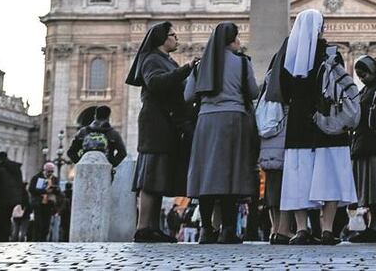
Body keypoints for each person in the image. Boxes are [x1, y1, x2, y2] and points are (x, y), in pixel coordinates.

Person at [277, 10, 358, 245]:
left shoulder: (288, 59)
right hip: (328, 124)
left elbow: (283, 93)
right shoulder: (331, 55)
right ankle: (327, 230)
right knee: (330, 177)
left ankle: (302, 229)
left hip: (298, 125)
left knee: (298, 178)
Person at [185, 21, 260, 244]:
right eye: (237, 38)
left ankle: (207, 229)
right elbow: (253, 92)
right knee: (231, 175)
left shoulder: (200, 66)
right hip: (234, 120)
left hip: (206, 121)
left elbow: (188, 96)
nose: (239, 42)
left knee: (207, 175)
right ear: (230, 41)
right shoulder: (243, 64)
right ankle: (228, 230)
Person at [125, 21, 197, 243]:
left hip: (167, 122)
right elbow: (155, 83)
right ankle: (143, 227)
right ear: (162, 39)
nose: (177, 39)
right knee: (150, 176)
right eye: (173, 35)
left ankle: (153, 227)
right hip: (155, 123)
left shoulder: (165, 60)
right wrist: (185, 69)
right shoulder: (151, 60)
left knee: (157, 176)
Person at [258, 51, 293, 245]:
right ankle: (283, 228)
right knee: (285, 183)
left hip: (268, 140)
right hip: (284, 136)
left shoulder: (269, 79)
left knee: (272, 184)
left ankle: (274, 227)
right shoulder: (286, 77)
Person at [348, 55, 376, 243]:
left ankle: (375, 225)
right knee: (366, 188)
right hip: (362, 144)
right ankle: (370, 225)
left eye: (364, 74)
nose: (362, 78)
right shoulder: (366, 90)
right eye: (359, 75)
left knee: (374, 188)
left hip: (373, 145)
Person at [0, 151, 26, 242]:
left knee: (2, 221)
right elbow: (20, 185)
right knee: (7, 219)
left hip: (0, 200)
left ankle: (3, 239)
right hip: (13, 201)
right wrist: (19, 200)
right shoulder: (16, 168)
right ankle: (6, 238)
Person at [27, 163, 61, 241]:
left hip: (49, 203)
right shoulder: (37, 177)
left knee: (46, 223)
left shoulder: (54, 179)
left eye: (52, 171)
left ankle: (43, 239)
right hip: (38, 203)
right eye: (49, 171)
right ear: (44, 170)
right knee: (38, 223)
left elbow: (58, 192)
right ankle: (36, 239)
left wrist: (55, 189)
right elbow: (31, 189)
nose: (50, 173)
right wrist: (44, 190)